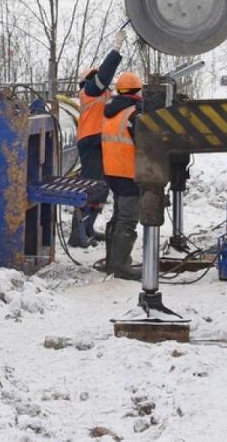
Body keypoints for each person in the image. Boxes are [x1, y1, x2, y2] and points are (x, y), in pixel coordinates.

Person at [69, 30, 126, 248]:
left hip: (98, 142)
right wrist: (116, 50)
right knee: (92, 186)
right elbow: (105, 74)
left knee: (101, 188)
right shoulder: (90, 91)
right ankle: (78, 233)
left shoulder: (99, 94)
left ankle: (88, 227)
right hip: (91, 143)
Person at [100, 71, 145, 280]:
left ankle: (112, 262)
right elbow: (144, 143)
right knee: (127, 220)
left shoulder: (110, 110)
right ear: (138, 90)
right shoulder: (133, 113)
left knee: (118, 216)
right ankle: (120, 266)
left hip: (112, 172)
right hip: (128, 172)